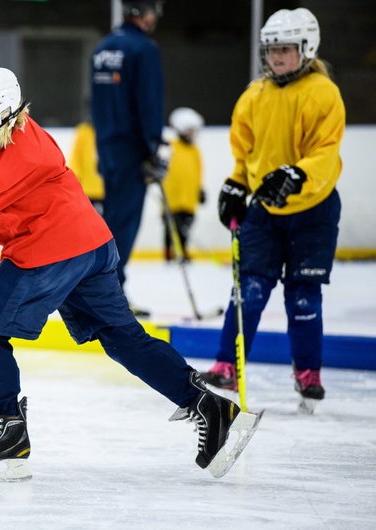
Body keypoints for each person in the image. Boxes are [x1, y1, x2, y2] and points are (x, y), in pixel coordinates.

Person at [0, 63, 259, 481]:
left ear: (2, 117)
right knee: (123, 337)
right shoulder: (18, 129)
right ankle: (211, 408)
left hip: (47, 252)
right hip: (92, 244)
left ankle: (9, 431)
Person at [201, 8, 344, 413]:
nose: (276, 57)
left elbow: (326, 151)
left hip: (314, 210)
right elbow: (246, 154)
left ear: (306, 48)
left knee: (303, 294)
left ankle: (308, 372)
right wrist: (237, 184)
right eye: (271, 49)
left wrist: (299, 174)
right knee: (248, 289)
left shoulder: (322, 92)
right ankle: (227, 364)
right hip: (264, 211)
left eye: (285, 49)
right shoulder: (255, 95)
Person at [90, 0, 166, 315]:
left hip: (108, 144)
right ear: (146, 14)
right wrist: (153, 147)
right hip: (132, 148)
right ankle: (109, 292)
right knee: (124, 221)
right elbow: (149, 101)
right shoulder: (143, 49)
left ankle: (104, 288)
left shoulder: (103, 48)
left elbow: (95, 102)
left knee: (112, 218)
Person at [161, 107, 205, 262]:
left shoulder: (195, 151)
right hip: (172, 197)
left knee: (186, 226)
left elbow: (198, 172)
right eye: (189, 131)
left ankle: (183, 250)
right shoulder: (171, 147)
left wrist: (200, 189)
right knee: (171, 226)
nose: (192, 135)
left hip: (189, 198)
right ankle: (168, 251)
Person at [67, 121, 105, 215]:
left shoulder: (110, 131)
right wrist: (74, 177)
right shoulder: (84, 132)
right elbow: (76, 157)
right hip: (88, 190)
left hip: (107, 190)